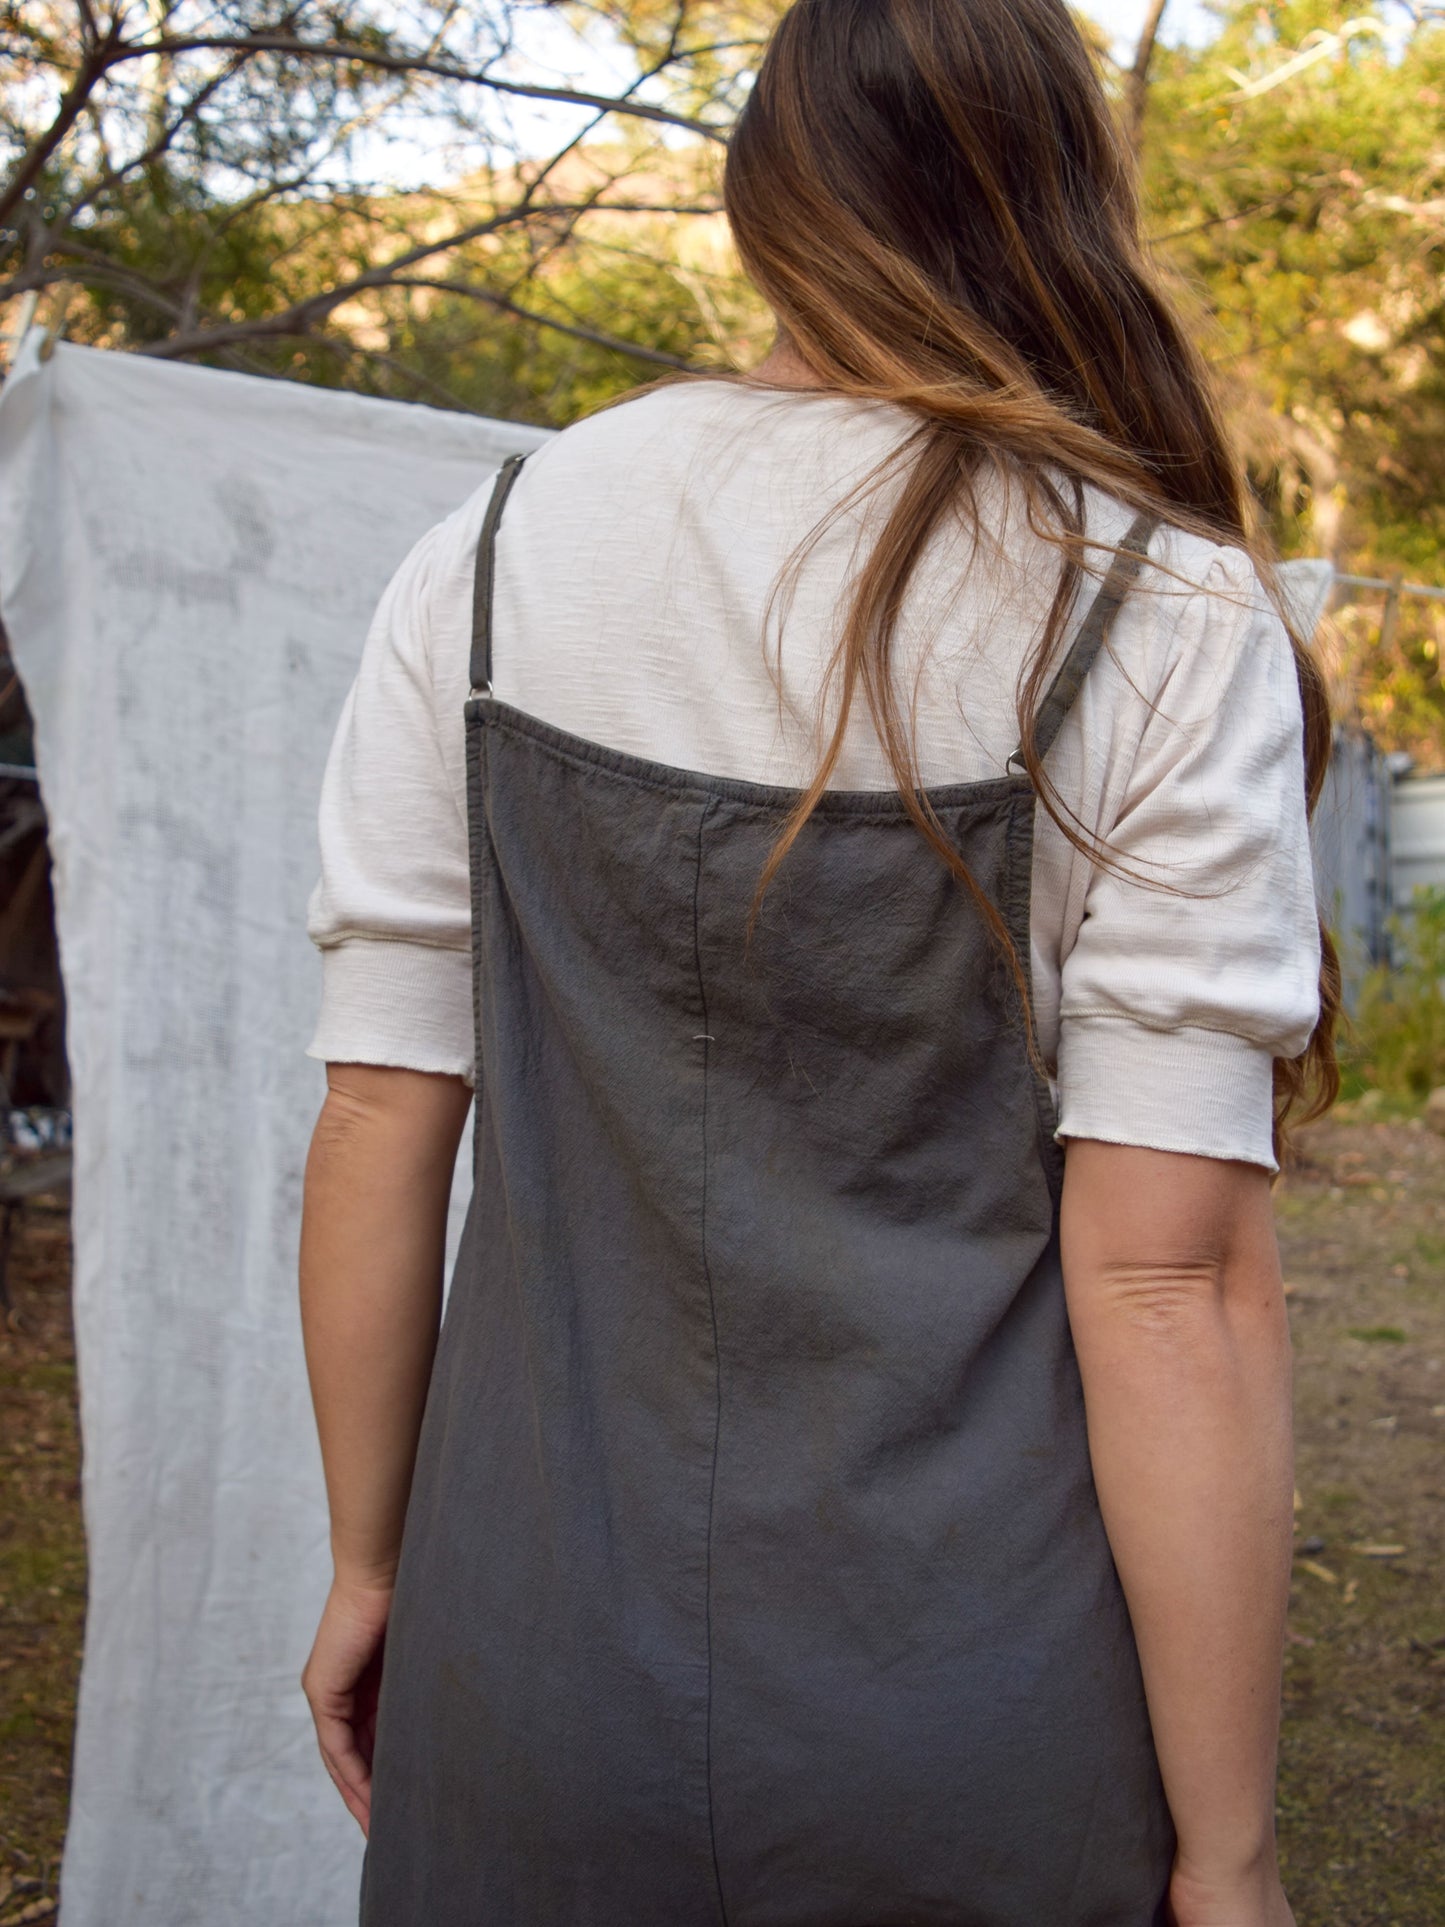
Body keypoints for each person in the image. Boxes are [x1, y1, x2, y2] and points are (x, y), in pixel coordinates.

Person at [297, 0, 1337, 1919]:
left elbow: (378, 1109)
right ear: (1058, 198)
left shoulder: (498, 554)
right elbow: (1172, 1279)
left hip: (520, 1680)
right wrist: (1227, 1851)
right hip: (978, 1727)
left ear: (766, 202)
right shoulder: (1160, 607)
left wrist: (374, 1571)